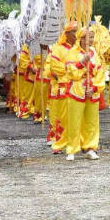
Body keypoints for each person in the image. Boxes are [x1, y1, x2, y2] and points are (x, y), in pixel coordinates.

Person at [64, 26, 106, 160]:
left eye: (92, 37)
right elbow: (71, 73)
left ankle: (90, 147)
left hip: (91, 91)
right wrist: (81, 63)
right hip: (77, 90)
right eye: (87, 38)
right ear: (81, 39)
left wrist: (94, 87)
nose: (90, 40)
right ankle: (72, 149)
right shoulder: (72, 52)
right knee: (74, 121)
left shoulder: (95, 52)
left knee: (92, 122)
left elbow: (100, 73)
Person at [48, 22, 77, 151]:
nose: (76, 35)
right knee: (60, 114)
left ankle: (75, 140)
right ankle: (58, 138)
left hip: (77, 86)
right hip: (62, 86)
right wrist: (73, 68)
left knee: (76, 114)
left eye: (77, 31)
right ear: (67, 34)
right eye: (74, 31)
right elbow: (54, 67)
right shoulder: (58, 49)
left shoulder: (80, 49)